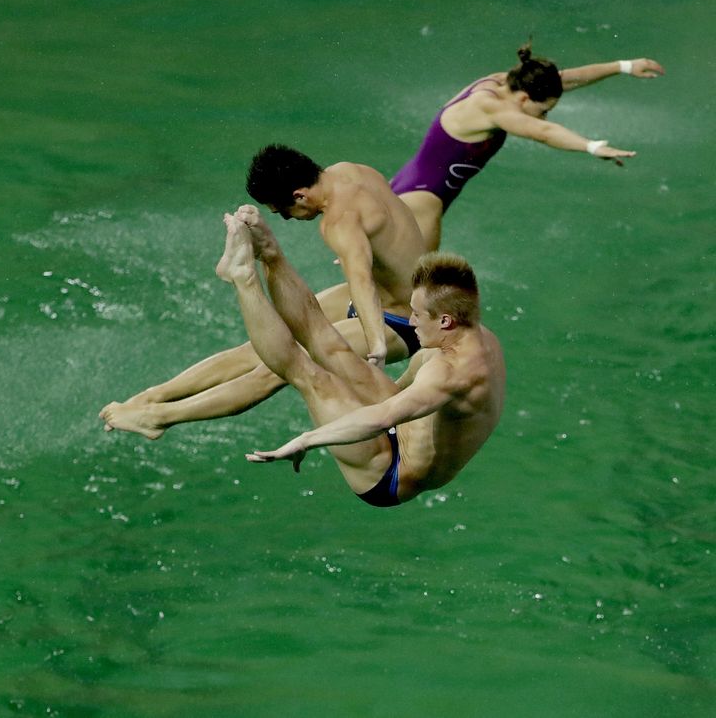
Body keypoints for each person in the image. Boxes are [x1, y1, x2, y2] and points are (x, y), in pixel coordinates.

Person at [99, 145, 426, 439]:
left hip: (400, 320)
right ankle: (153, 396)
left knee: (279, 367)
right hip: (395, 293)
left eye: (283, 211)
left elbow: (361, 280)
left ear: (299, 195)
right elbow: (390, 223)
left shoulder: (338, 222)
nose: (287, 218)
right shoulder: (352, 170)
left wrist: (377, 343)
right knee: (261, 346)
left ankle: (158, 417)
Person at [219, 207, 504, 505]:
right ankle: (268, 251)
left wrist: (307, 439)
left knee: (307, 372)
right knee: (326, 342)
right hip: (403, 423)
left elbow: (383, 417)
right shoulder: (474, 335)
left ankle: (242, 277)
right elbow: (408, 385)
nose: (411, 322)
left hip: (392, 472)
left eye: (418, 315)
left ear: (445, 321)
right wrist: (376, 385)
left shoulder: (452, 373)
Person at [390, 42, 665, 250]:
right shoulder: (489, 107)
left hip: (409, 188)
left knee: (392, 292)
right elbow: (542, 132)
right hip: (419, 203)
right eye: (543, 109)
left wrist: (624, 66)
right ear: (523, 100)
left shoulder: (503, 82)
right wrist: (590, 146)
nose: (545, 116)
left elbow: (566, 79)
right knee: (408, 297)